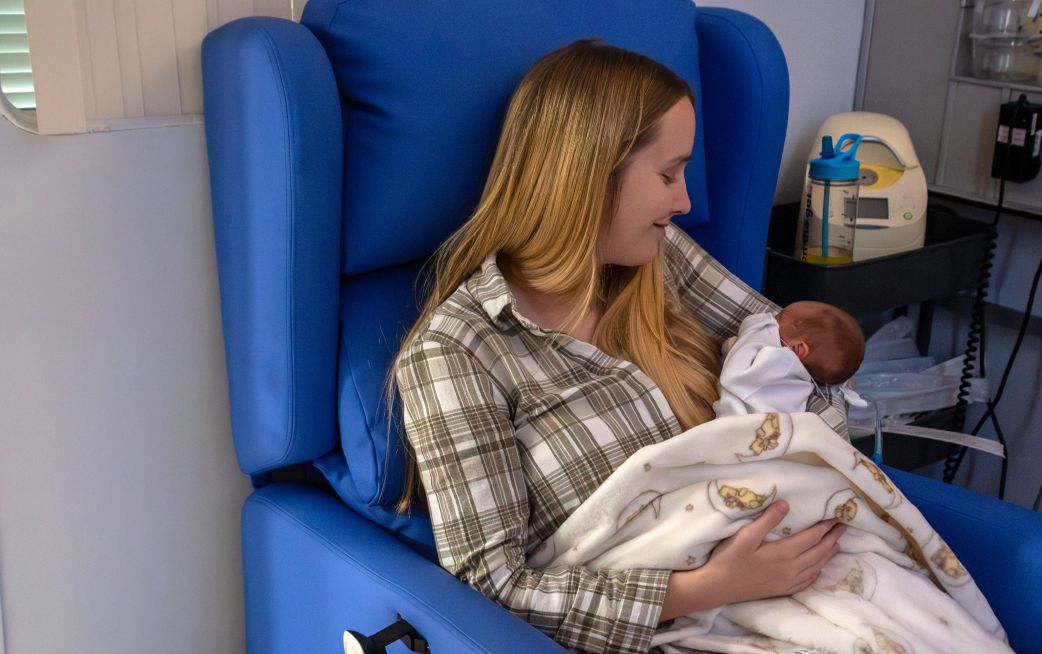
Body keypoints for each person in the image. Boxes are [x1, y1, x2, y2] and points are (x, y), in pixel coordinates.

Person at [392, 40, 847, 654]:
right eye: (667, 173)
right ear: (588, 174)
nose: (685, 201)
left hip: (805, 583)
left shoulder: (661, 256)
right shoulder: (459, 352)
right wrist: (708, 585)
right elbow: (489, 586)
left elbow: (805, 362)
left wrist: (807, 491)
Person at [713, 300, 867, 418]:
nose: (771, 317)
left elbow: (735, 375)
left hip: (740, 422)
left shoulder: (780, 361)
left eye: (778, 318)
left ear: (798, 349)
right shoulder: (803, 386)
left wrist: (754, 328)